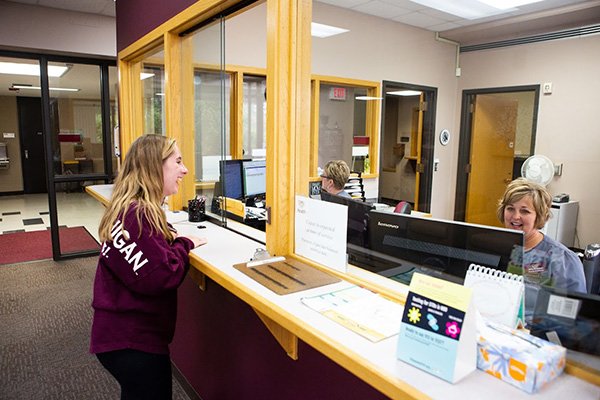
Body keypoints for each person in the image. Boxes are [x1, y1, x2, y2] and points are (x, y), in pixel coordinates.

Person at [90, 134, 206, 400]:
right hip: (133, 341)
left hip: (118, 335)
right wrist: (184, 244)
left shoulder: (130, 209)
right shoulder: (139, 215)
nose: (185, 169)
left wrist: (169, 240)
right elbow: (163, 276)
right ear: (155, 167)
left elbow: (146, 258)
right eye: (177, 161)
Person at [497, 177, 586, 293]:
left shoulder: (561, 259)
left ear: (539, 216)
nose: (515, 216)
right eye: (510, 209)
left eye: (525, 211)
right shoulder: (495, 246)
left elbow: (573, 306)